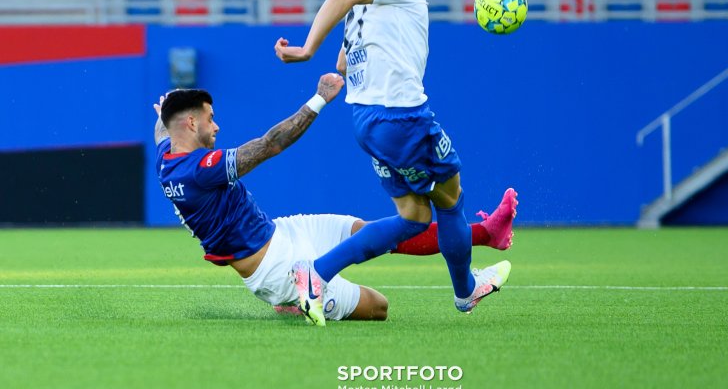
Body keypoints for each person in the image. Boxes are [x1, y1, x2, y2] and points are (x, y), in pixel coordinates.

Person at [274, 0, 512, 326]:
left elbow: (344, 61)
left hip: (367, 119)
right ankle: (464, 291)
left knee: (414, 217)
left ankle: (315, 274)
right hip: (401, 116)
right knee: (450, 197)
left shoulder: (368, 4)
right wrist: (306, 50)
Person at [153, 78, 518, 324]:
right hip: (275, 269)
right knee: (379, 307)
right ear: (188, 124)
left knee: (374, 232)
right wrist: (320, 99)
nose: (216, 126)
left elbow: (163, 127)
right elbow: (270, 144)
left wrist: (170, 105)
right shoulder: (201, 169)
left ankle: (486, 232)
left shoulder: (165, 160)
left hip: (281, 231)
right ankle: (293, 299)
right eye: (210, 119)